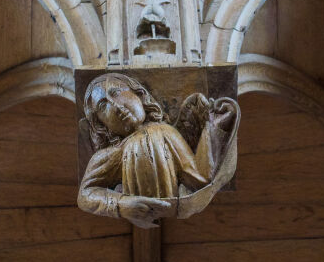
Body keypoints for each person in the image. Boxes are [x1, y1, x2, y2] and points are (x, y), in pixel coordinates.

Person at [78, 73, 238, 228]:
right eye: (103, 106)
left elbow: (200, 179)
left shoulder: (167, 131)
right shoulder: (111, 154)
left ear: (139, 94)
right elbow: (86, 194)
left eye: (117, 92)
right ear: (101, 125)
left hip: (176, 208)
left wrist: (214, 127)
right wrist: (121, 204)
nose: (117, 106)